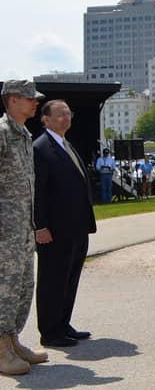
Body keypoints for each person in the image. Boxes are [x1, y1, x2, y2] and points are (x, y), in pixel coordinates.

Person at [33, 99, 96, 347]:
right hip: (54, 230)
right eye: (60, 114)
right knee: (52, 280)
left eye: (68, 113)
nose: (66, 118)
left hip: (76, 227)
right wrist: (40, 226)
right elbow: (38, 191)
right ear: (45, 119)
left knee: (69, 279)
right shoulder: (40, 148)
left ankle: (62, 323)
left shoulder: (65, 144)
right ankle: (50, 332)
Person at [0, 80, 49, 374]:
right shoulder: (2, 133)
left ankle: (12, 341)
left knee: (22, 287)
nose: (35, 103)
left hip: (22, 227)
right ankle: (1, 349)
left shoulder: (24, 134)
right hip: (4, 230)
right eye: (30, 98)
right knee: (4, 288)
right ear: (13, 100)